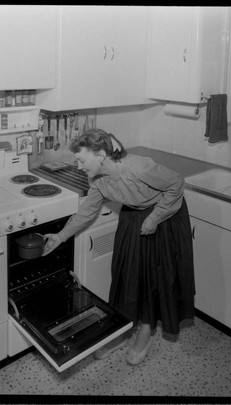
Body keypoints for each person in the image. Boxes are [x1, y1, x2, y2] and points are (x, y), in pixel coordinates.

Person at [43, 128, 195, 365]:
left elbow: (176, 184)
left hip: (164, 215)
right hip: (133, 216)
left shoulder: (139, 167)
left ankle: (145, 330)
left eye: (82, 160)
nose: (79, 166)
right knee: (126, 274)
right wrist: (60, 236)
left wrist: (155, 218)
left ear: (101, 154)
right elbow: (86, 212)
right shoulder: (96, 178)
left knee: (152, 276)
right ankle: (125, 329)